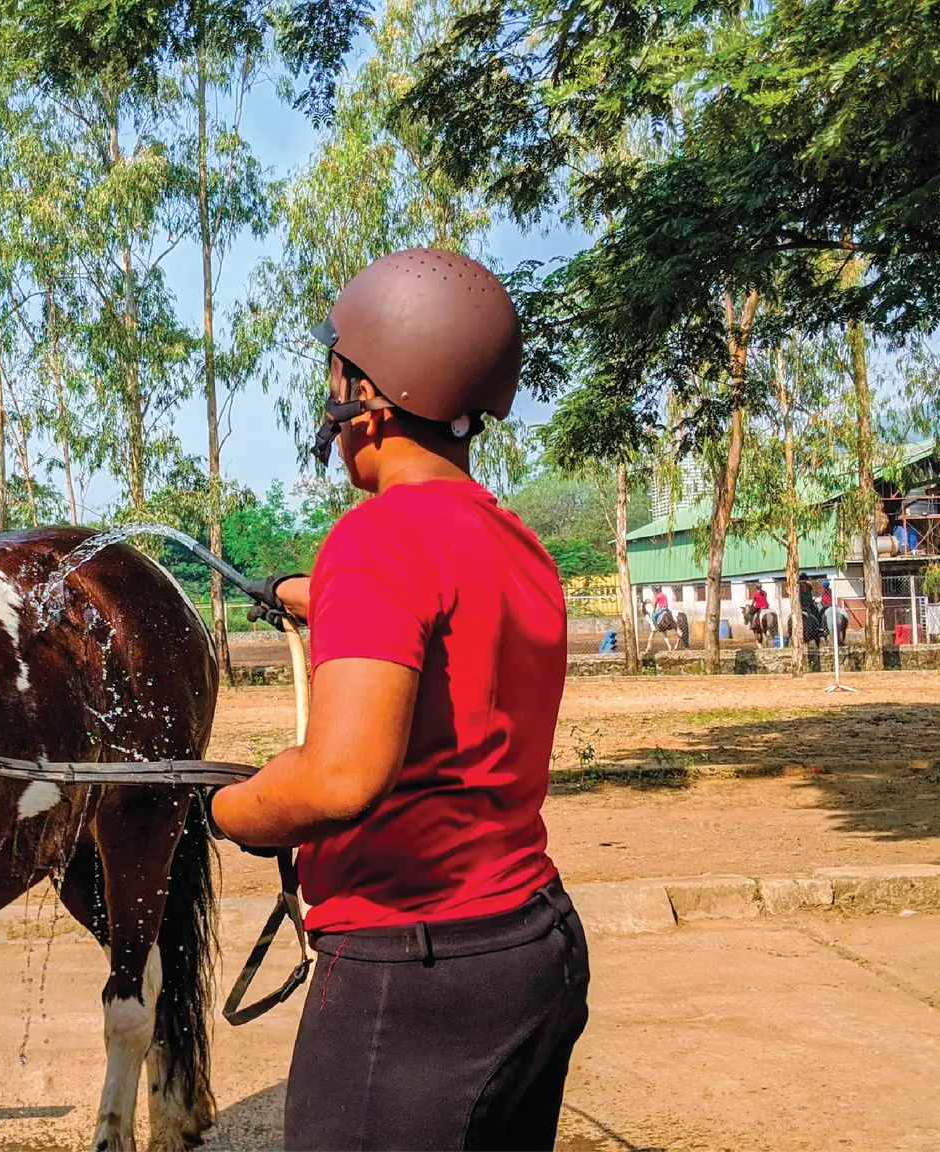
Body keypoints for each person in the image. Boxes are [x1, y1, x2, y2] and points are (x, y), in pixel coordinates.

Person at [212, 248, 589, 1151]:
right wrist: (302, 592)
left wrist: (228, 810)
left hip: (416, 977)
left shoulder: (376, 538)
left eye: (335, 375)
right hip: (532, 945)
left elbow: (339, 780)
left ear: (370, 397)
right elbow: (446, 611)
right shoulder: (516, 541)